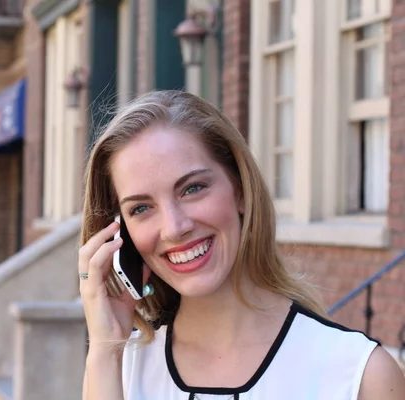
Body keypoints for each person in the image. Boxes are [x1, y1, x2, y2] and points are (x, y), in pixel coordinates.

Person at [78, 90, 405, 399]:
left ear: (240, 190)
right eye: (141, 208)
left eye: (192, 189)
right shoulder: (119, 370)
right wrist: (105, 350)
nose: (174, 228)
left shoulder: (360, 376)